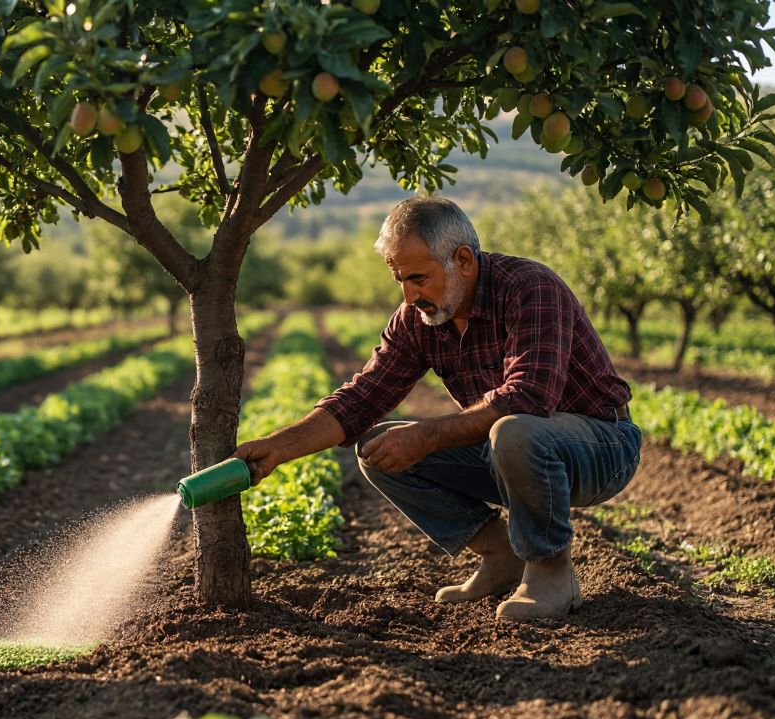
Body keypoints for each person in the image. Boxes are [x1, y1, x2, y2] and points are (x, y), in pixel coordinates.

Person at [233, 197, 641, 621]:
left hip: (601, 447)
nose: (410, 295)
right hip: (513, 450)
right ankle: (501, 556)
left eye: (418, 278)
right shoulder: (417, 319)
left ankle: (551, 571)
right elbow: (362, 398)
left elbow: (529, 398)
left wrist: (424, 436)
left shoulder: (529, 287)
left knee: (515, 429)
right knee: (378, 448)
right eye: (400, 281)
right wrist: (278, 449)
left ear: (463, 259)